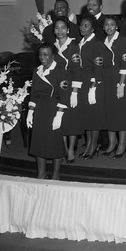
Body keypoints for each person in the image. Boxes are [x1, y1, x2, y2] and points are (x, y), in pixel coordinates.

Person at [26, 43, 68, 180]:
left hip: (54, 109)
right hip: (40, 110)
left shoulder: (60, 71)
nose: (42, 57)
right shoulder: (37, 71)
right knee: (38, 141)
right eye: (40, 54)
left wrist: (59, 115)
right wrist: (30, 112)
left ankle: (56, 174)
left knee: (55, 142)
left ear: (53, 56)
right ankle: (41, 173)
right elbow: (33, 94)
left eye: (46, 54)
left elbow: (65, 94)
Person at [72, 15, 106, 160]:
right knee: (86, 116)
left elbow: (98, 65)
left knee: (94, 116)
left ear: (92, 29)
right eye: (81, 25)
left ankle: (93, 146)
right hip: (82, 82)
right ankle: (88, 145)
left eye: (86, 26)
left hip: (92, 83)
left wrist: (94, 84)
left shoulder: (96, 43)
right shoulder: (80, 42)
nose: (82, 28)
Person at [101, 15, 126, 157]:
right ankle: (112, 143)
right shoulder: (103, 41)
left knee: (120, 113)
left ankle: (122, 144)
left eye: (112, 24)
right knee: (109, 112)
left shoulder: (122, 40)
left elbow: (125, 64)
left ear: (117, 26)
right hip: (107, 80)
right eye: (106, 25)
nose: (109, 27)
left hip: (119, 79)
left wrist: (121, 84)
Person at [53, 16, 82, 164]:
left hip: (71, 86)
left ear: (68, 29)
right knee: (60, 119)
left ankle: (71, 149)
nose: (60, 31)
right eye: (57, 28)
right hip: (57, 86)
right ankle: (63, 148)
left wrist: (75, 92)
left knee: (71, 120)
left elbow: (77, 70)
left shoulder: (73, 46)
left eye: (63, 28)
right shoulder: (52, 46)